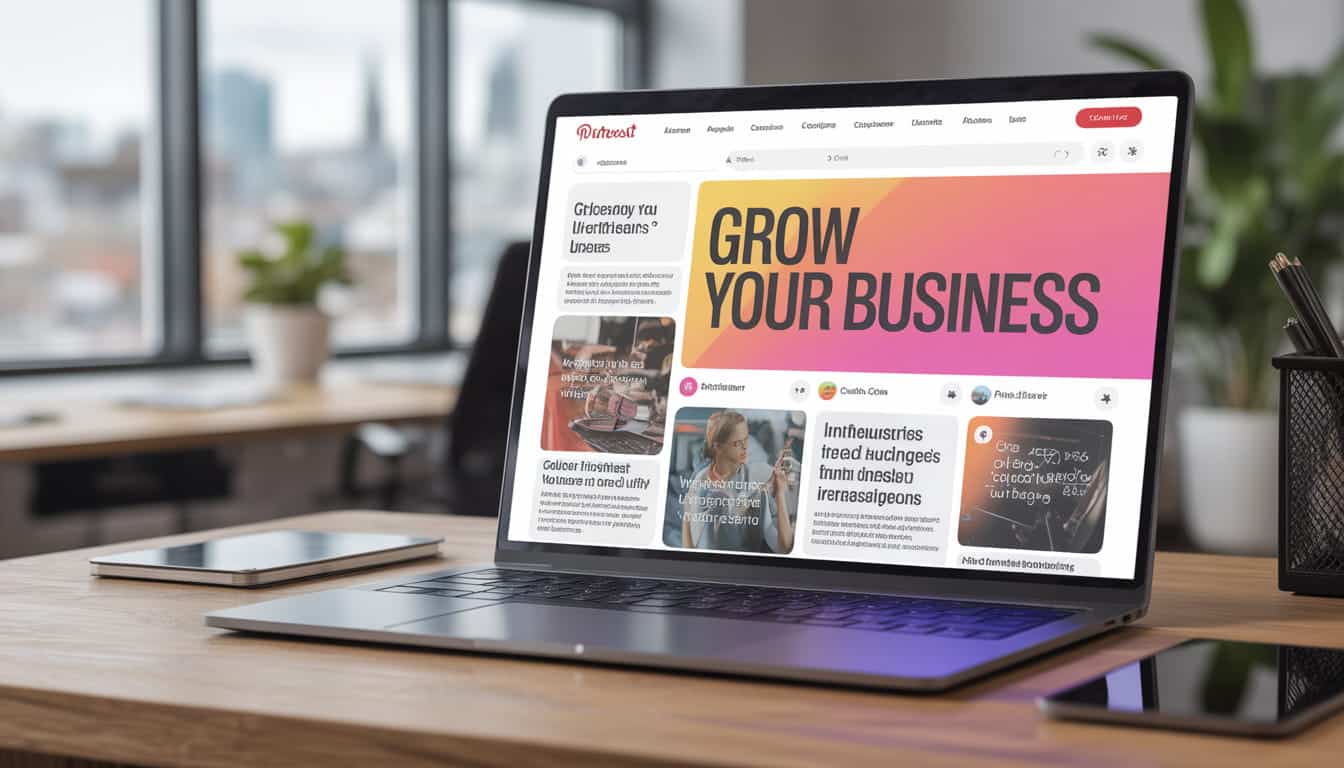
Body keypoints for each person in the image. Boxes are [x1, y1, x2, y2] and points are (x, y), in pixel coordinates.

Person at [680, 410, 795, 553]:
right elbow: (688, 549)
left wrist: (780, 493)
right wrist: (687, 514)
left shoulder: (755, 480)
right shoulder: (700, 485)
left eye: (746, 440)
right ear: (719, 446)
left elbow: (784, 547)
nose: (745, 447)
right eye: (737, 443)